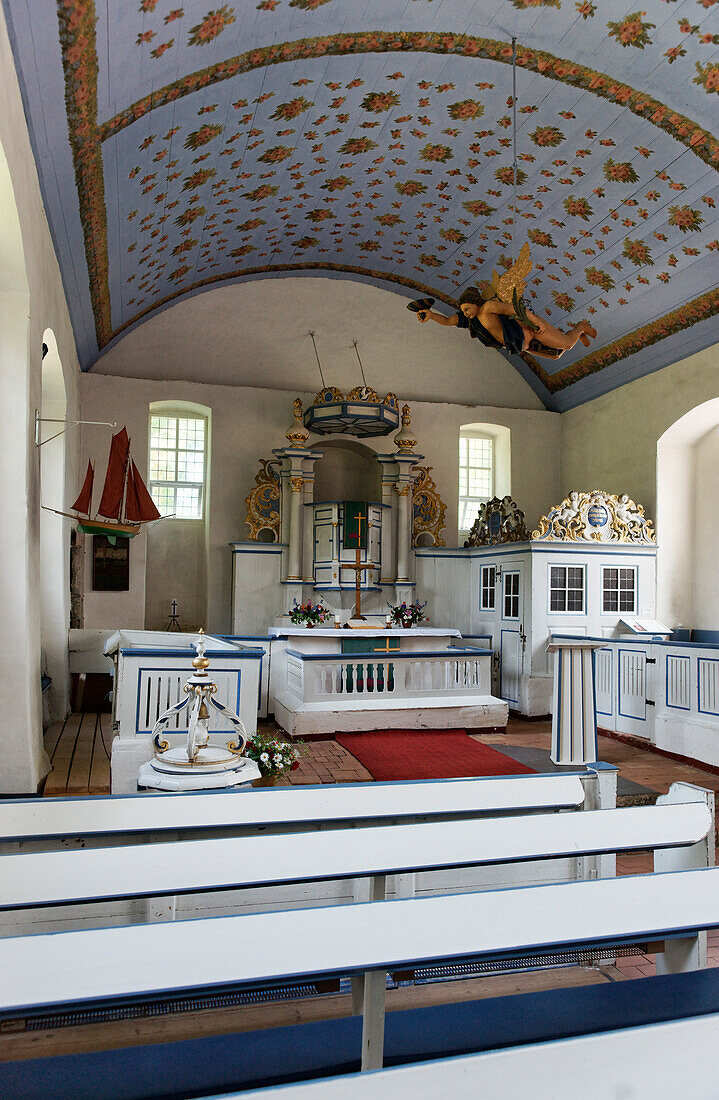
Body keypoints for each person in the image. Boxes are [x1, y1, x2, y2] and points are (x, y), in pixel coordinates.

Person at [415, 286, 596, 360]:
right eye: (463, 311)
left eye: (467, 309)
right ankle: (576, 333)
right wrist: (430, 315)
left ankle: (580, 327)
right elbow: (447, 321)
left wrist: (536, 321)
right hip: (519, 344)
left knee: (566, 344)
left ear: (475, 302)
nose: (465, 314)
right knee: (556, 355)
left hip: (529, 330)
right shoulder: (471, 320)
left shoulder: (488, 308)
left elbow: (516, 310)